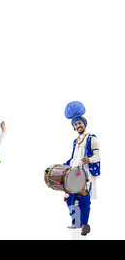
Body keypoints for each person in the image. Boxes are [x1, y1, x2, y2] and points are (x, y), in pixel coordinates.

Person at [63, 101, 100, 236]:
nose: (78, 126)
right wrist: (65, 165)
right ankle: (75, 223)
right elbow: (73, 157)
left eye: (80, 123)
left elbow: (98, 156)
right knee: (70, 198)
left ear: (84, 123)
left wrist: (89, 160)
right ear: (74, 127)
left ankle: (84, 224)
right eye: (76, 124)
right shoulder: (75, 141)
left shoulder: (92, 138)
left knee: (84, 199)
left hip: (85, 174)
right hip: (73, 174)